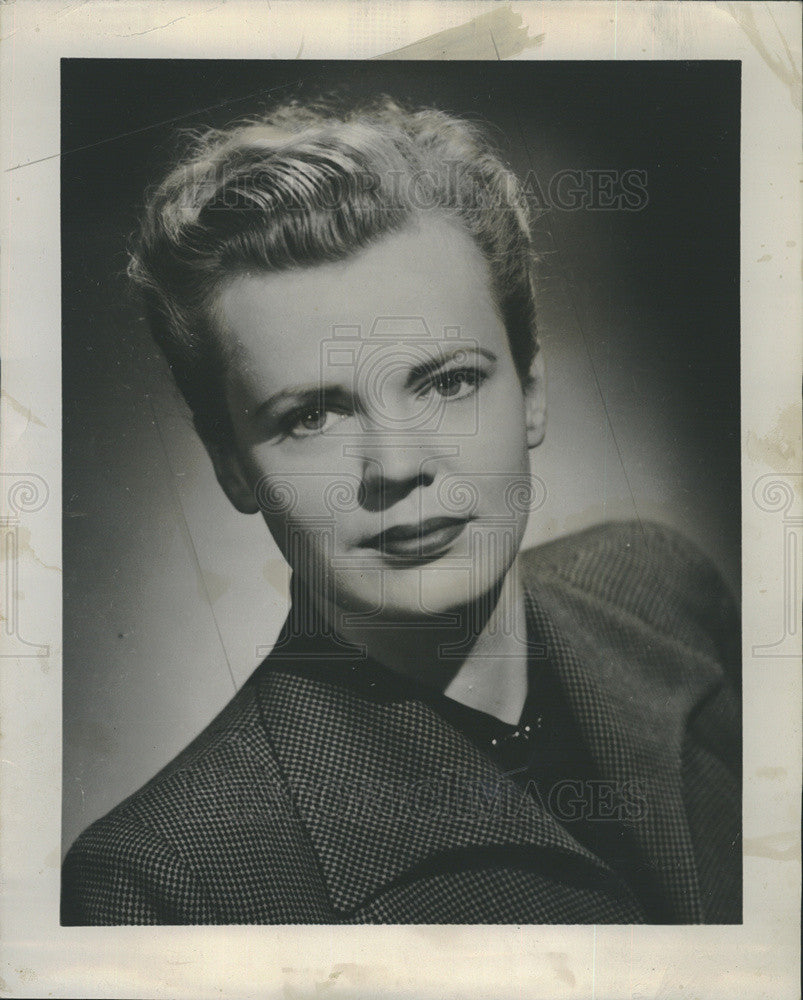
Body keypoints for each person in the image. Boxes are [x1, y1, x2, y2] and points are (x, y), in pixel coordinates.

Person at [61, 95, 741, 924]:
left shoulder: (658, 586)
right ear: (232, 467)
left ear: (529, 389)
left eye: (448, 382)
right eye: (310, 417)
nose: (399, 465)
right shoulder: (167, 882)